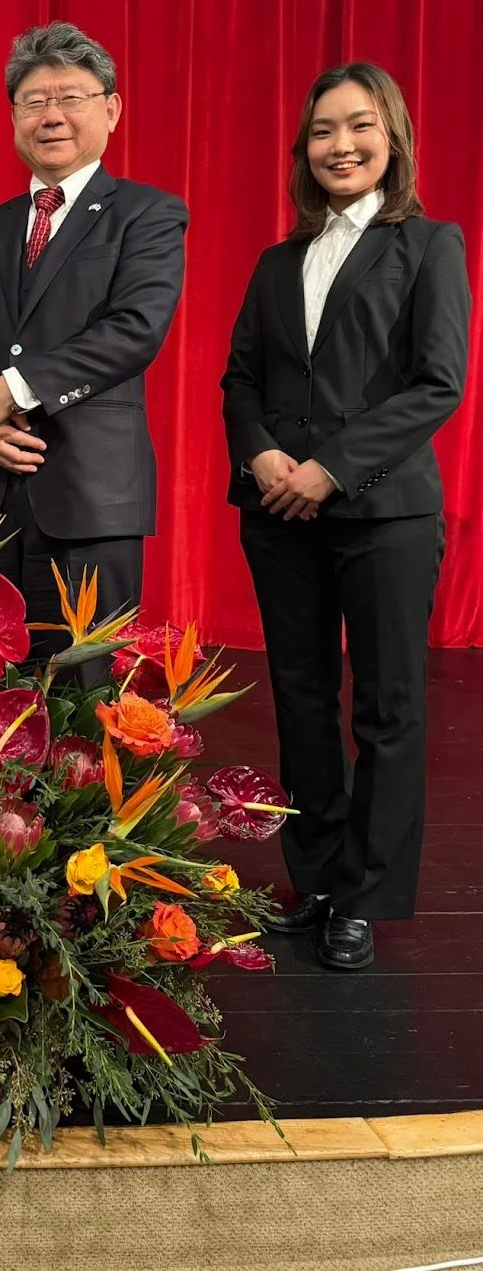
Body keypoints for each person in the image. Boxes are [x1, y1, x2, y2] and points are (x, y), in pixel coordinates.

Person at [221, 61, 470, 971]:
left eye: (359, 126)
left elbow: (437, 384)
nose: (341, 145)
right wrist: (263, 457)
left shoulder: (430, 244)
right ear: (304, 150)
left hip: (386, 513)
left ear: (392, 138)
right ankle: (317, 878)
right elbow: (241, 379)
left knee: (387, 708)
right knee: (300, 700)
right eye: (323, 131)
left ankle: (367, 892)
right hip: (278, 511)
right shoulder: (277, 260)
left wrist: (330, 468)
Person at [0, 21, 187, 666]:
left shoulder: (147, 215)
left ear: (112, 109)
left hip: (88, 497)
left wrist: (7, 392)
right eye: (35, 101)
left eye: (72, 97)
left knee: (87, 699)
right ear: (14, 117)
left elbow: (134, 331)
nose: (53, 116)